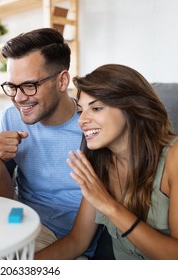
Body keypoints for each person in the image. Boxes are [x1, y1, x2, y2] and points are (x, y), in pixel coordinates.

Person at [35, 64, 178, 259]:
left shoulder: (174, 158)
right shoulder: (99, 163)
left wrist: (109, 206)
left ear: (132, 107)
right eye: (80, 110)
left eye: (96, 108)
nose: (82, 120)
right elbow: (77, 240)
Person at [0, 28, 98, 257]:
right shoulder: (12, 117)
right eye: (12, 87)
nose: (19, 98)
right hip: (20, 219)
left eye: (29, 86)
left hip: (65, 236)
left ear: (62, 81)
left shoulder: (90, 128)